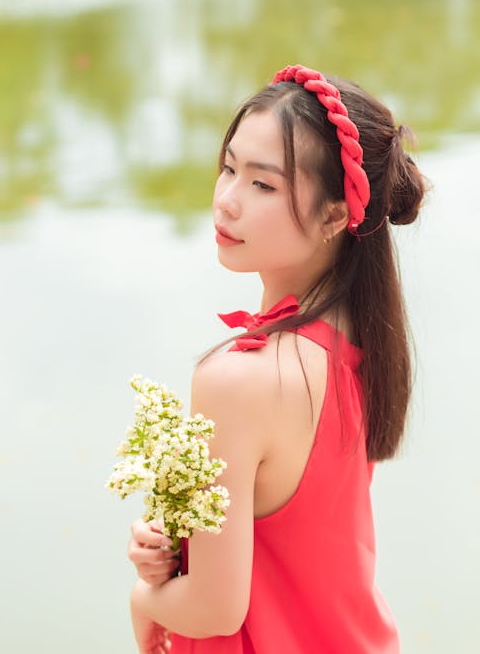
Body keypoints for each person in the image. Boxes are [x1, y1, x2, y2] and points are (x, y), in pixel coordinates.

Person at [126, 64, 426, 654]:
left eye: (263, 185)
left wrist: (145, 601)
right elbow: (295, 528)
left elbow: (214, 608)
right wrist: (180, 543)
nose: (227, 201)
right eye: (230, 168)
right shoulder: (357, 338)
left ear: (335, 216)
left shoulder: (240, 381)